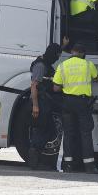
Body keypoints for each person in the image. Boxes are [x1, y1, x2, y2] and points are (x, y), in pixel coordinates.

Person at [52, 43, 98, 174]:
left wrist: (67, 87)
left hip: (67, 102)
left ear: (72, 52)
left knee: (68, 133)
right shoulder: (88, 65)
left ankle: (68, 165)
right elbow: (97, 79)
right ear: (83, 53)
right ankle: (89, 166)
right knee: (85, 133)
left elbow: (56, 88)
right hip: (82, 102)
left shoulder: (62, 66)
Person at [27, 42, 64, 170]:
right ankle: (34, 161)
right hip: (40, 103)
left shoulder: (45, 63)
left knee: (49, 129)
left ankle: (37, 160)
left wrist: (63, 45)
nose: (57, 59)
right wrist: (35, 106)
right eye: (57, 56)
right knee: (42, 130)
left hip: (45, 102)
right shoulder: (40, 66)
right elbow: (34, 85)